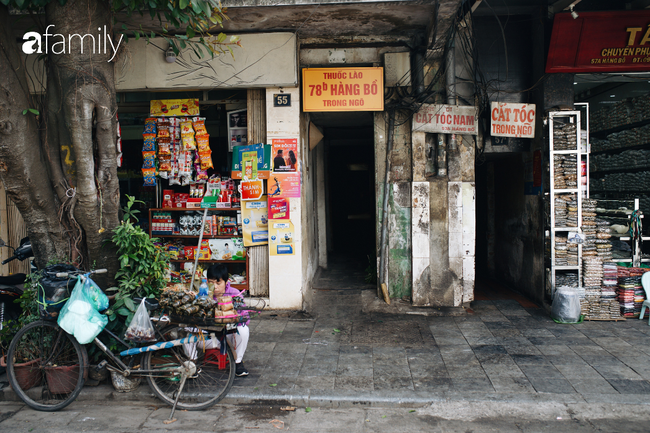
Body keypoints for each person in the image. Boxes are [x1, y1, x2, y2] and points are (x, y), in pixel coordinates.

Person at [206, 264, 250, 377]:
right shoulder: (203, 294)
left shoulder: (235, 294)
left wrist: (236, 317)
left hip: (228, 337)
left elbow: (246, 317)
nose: (214, 287)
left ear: (226, 281)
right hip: (208, 338)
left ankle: (238, 362)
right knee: (186, 327)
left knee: (244, 329)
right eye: (211, 283)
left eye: (218, 283)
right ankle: (191, 362)